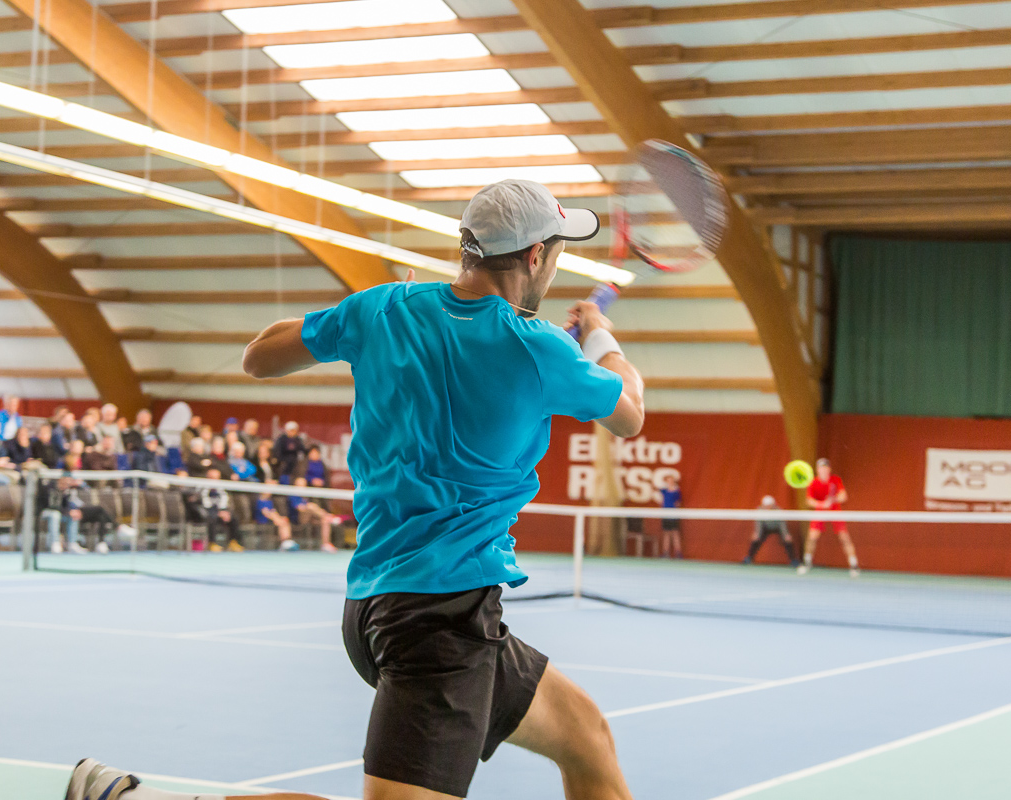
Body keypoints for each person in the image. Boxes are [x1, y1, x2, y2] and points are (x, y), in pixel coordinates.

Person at [62, 179, 645, 800]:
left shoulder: (382, 310)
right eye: (556, 251)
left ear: (468, 248)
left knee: (586, 738)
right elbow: (630, 413)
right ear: (535, 258)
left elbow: (259, 357)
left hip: (385, 604)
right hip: (438, 622)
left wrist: (349, 323)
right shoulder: (540, 350)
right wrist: (600, 338)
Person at [799, 457, 859, 577]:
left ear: (829, 469)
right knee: (812, 537)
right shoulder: (813, 482)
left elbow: (843, 496)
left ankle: (854, 565)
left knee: (844, 537)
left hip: (835, 511)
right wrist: (821, 504)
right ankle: (807, 563)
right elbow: (809, 501)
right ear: (817, 470)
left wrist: (833, 500)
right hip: (820, 512)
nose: (823, 469)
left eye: (825, 467)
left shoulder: (836, 480)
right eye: (821, 467)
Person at [743, 495, 799, 566]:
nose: (767, 507)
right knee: (756, 540)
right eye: (766, 506)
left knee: (787, 540)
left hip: (777, 527)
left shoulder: (779, 511)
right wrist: (757, 533)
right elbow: (759, 523)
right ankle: (749, 558)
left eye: (769, 505)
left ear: (773, 505)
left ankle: (793, 560)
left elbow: (782, 524)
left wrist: (786, 534)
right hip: (765, 528)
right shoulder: (759, 511)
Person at [287, 477, 339, 552]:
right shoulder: (292, 495)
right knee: (311, 506)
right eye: (300, 485)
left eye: (303, 485)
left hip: (311, 517)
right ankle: (330, 517)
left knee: (325, 520)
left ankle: (326, 544)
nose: (302, 487)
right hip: (298, 518)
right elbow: (300, 509)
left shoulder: (308, 494)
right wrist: (307, 507)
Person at [200, 468, 242, 552]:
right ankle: (212, 543)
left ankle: (233, 542)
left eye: (217, 478)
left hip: (221, 511)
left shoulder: (221, 488)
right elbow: (205, 503)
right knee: (212, 518)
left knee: (234, 518)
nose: (215, 480)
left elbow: (224, 500)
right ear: (207, 477)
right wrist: (217, 512)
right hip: (206, 511)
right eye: (212, 478)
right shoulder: (202, 487)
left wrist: (225, 511)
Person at [255, 480, 297, 552]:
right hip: (263, 519)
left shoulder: (270, 501)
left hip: (272, 519)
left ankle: (286, 541)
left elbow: (273, 511)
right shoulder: (260, 500)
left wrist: (279, 518)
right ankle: (285, 542)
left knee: (284, 520)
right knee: (281, 523)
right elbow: (266, 513)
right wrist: (276, 519)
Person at [659, 473, 682, 559]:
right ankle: (665, 552)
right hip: (665, 515)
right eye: (668, 480)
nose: (670, 481)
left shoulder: (677, 491)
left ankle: (678, 553)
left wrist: (675, 513)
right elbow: (661, 500)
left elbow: (678, 503)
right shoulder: (664, 491)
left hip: (674, 515)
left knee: (675, 533)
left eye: (671, 480)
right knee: (666, 533)